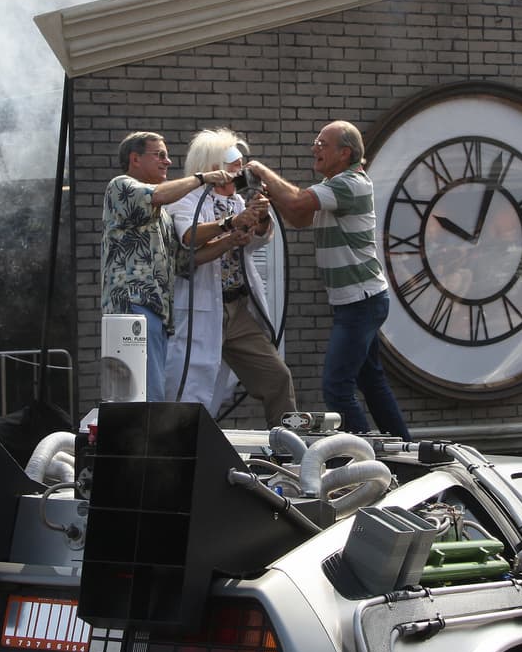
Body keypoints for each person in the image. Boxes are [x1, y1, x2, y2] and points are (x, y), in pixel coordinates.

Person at [247, 121, 411, 439]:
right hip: (359, 300)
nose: (315, 148)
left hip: (360, 302)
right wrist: (270, 196)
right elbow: (298, 217)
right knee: (371, 380)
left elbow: (295, 202)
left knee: (336, 388)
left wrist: (262, 171)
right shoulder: (333, 185)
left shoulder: (348, 184)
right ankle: (403, 446)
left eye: (322, 143)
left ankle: (359, 456)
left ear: (344, 152)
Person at [165, 128, 297, 425]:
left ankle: (289, 448)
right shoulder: (186, 200)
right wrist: (230, 225)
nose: (239, 176)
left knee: (277, 376)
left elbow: (257, 242)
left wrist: (260, 217)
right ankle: (183, 449)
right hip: (201, 310)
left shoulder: (238, 201)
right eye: (234, 169)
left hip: (237, 309)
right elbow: (189, 238)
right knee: (193, 386)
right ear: (214, 169)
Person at [100, 131, 234, 401]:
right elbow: (157, 195)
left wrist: (231, 236)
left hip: (155, 313)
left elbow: (185, 262)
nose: (168, 162)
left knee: (151, 393)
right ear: (135, 159)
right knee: (142, 396)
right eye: (159, 155)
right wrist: (202, 178)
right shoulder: (121, 186)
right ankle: (138, 442)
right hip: (131, 306)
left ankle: (144, 440)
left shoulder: (161, 214)